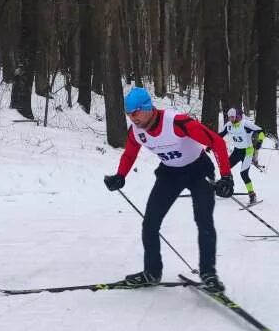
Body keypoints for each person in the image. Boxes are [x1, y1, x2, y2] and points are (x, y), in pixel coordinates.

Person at [104, 87, 234, 292]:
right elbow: (129, 154)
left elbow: (216, 142)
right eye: (128, 114)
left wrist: (226, 176)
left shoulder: (177, 122)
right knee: (150, 222)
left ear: (148, 107)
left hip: (199, 170)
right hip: (170, 174)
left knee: (204, 221)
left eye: (136, 112)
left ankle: (208, 274)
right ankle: (152, 273)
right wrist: (120, 176)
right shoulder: (137, 132)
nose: (132, 118)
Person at [219, 108, 265, 203]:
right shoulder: (228, 126)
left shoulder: (245, 124)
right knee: (224, 169)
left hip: (247, 152)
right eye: (229, 117)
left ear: (237, 116)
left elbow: (261, 131)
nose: (230, 119)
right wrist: (211, 144)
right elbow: (220, 135)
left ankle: (252, 194)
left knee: (243, 174)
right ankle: (228, 186)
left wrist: (259, 141)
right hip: (237, 151)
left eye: (232, 117)